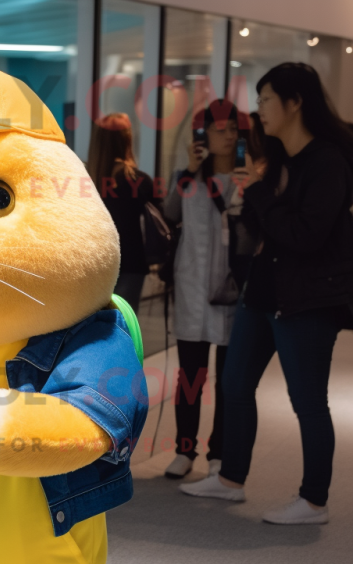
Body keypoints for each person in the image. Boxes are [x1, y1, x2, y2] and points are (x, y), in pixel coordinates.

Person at [181, 63, 353, 524]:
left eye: (266, 100)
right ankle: (230, 479)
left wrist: (257, 194)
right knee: (235, 385)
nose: (258, 112)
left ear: (295, 102)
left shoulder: (328, 161)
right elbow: (265, 232)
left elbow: (305, 235)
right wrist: (251, 196)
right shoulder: (277, 159)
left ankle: (314, 500)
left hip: (308, 300)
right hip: (263, 292)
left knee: (308, 400)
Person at [162, 100, 247, 478]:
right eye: (220, 129)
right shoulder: (188, 178)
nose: (228, 136)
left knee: (229, 379)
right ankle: (185, 449)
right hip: (192, 289)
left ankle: (220, 452)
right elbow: (169, 213)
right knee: (190, 377)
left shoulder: (250, 178)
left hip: (232, 292)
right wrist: (191, 169)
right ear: (202, 135)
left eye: (233, 129)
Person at [86, 112, 157, 313]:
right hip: (131, 263)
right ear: (127, 140)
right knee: (123, 326)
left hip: (93, 264)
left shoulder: (84, 181)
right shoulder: (139, 181)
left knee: (91, 327)